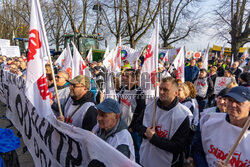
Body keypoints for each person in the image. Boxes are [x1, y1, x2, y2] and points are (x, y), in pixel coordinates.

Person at [136, 77, 192, 167]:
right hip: (145, 159)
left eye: (165, 90)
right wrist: (145, 132)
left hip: (166, 163)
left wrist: (154, 138)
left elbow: (178, 146)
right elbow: (138, 125)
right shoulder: (151, 104)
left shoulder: (183, 115)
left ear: (176, 93)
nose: (161, 92)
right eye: (160, 89)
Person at [192, 86, 250, 167]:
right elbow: (197, 150)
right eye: (230, 100)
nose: (233, 105)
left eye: (239, 102)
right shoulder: (209, 121)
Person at [119, 68, 146, 163]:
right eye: (124, 76)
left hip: (133, 130)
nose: (124, 78)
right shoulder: (122, 90)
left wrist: (133, 127)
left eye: (127, 76)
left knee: (136, 151)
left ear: (134, 78)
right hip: (122, 127)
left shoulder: (139, 93)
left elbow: (142, 112)